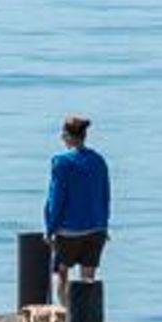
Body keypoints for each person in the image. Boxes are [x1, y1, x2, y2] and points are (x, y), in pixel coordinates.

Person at [43, 114, 111, 295]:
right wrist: (104, 225)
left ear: (66, 135)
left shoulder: (61, 161)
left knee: (62, 273)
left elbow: (56, 198)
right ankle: (85, 319)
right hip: (96, 228)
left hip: (69, 230)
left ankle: (68, 317)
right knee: (88, 278)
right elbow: (105, 195)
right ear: (84, 136)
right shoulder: (98, 160)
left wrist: (50, 229)